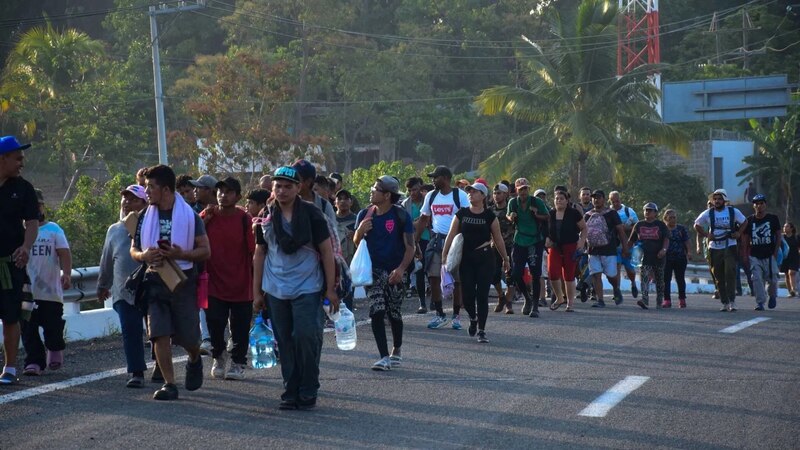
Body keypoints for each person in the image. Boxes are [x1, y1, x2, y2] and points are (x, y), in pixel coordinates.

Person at [253, 166, 338, 410]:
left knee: (305, 336)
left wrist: (330, 288)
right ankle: (290, 389)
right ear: (272, 188)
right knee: (284, 341)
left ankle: (309, 387)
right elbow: (259, 253)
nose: (282, 190)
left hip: (308, 287)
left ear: (298, 188)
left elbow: (326, 251)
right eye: (278, 186)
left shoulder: (311, 214)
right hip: (275, 288)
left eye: (288, 186)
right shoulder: (266, 215)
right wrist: (256, 292)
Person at [130, 164, 210, 401]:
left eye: (151, 187)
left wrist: (181, 254)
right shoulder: (144, 216)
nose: (147, 192)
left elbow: (205, 250)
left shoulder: (191, 217)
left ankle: (194, 359)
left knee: (189, 338)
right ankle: (169, 383)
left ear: (165, 189)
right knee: (159, 334)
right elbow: (133, 249)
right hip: (154, 279)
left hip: (182, 281)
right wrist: (143, 256)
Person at [354, 176, 414, 369]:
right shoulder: (365, 214)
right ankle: (383, 357)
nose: (371, 190)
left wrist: (401, 269)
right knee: (377, 311)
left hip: (396, 271)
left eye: (376, 188)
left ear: (387, 195)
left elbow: (410, 247)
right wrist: (360, 231)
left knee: (394, 313)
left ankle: (396, 348)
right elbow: (357, 243)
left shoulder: (401, 216)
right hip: (373, 271)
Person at [200, 177, 254, 380]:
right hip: (213, 282)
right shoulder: (207, 215)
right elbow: (192, 237)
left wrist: (257, 285)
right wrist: (204, 221)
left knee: (240, 327)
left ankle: (238, 362)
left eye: (229, 191)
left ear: (238, 196)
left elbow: (254, 252)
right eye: (220, 191)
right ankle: (219, 357)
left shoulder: (244, 218)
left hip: (241, 283)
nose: (223, 195)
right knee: (214, 323)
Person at [442, 183, 509, 343]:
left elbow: (498, 239)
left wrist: (506, 259)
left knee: (482, 295)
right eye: (469, 192)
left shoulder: (489, 216)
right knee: (468, 296)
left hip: (485, 258)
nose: (471, 194)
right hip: (466, 259)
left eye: (474, 191)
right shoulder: (461, 214)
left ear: (483, 195)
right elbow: (451, 235)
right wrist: (444, 254)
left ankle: (482, 330)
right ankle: (473, 318)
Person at [98, 184, 149, 387]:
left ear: (145, 203)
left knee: (157, 331)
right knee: (131, 330)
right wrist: (103, 284)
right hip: (123, 290)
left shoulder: (151, 225)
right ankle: (136, 372)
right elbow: (107, 259)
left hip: (151, 287)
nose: (127, 202)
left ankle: (161, 368)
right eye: (125, 199)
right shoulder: (114, 229)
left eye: (133, 199)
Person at [0, 136, 39, 385]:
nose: (21, 163)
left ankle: (10, 368)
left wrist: (26, 247)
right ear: (2, 159)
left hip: (10, 263)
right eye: (18, 158)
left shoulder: (23, 189)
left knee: (11, 316)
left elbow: (32, 223)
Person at [21, 189, 72, 377]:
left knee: (53, 326)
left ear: (42, 207)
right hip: (26, 290)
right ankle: (34, 361)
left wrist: (66, 274)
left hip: (50, 292)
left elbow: (64, 253)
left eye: (38, 205)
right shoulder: (20, 231)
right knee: (28, 329)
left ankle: (55, 348)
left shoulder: (53, 230)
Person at [415, 165, 469, 329]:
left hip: (455, 241)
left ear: (445, 178)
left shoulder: (460, 195)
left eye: (436, 177)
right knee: (433, 276)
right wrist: (416, 241)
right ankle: (440, 314)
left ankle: (456, 315)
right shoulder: (431, 196)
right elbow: (424, 219)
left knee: (457, 279)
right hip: (436, 240)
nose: (433, 180)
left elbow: (467, 218)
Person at [694, 189, 748, 312]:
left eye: (719, 199)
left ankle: (732, 301)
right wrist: (707, 235)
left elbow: (745, 222)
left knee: (730, 272)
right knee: (718, 276)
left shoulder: (733, 211)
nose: (717, 201)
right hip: (714, 247)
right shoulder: (708, 213)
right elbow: (696, 225)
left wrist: (739, 233)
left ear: (725, 200)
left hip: (730, 245)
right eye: (715, 199)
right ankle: (724, 302)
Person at [507, 178, 549, 318]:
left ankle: (535, 306)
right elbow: (508, 215)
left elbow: (547, 216)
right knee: (516, 274)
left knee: (535, 273)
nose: (523, 192)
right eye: (521, 189)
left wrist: (537, 214)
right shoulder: (513, 202)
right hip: (519, 240)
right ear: (516, 191)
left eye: (525, 189)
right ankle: (527, 297)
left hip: (534, 241)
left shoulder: (537, 202)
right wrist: (510, 217)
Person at [584, 190, 629, 308]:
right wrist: (581, 247)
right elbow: (583, 233)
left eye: (598, 197)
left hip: (609, 250)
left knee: (611, 275)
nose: (596, 200)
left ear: (604, 199)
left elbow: (621, 231)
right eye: (594, 198)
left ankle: (615, 288)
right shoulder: (587, 215)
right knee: (595, 274)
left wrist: (625, 248)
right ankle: (600, 300)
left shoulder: (612, 214)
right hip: (592, 250)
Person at [545, 190, 587, 312]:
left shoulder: (573, 213)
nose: (559, 201)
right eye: (557, 198)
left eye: (561, 198)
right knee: (552, 272)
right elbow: (545, 230)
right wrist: (547, 238)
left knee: (569, 275)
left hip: (570, 246)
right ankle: (559, 297)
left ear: (567, 200)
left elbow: (584, 228)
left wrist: (582, 241)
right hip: (554, 246)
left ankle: (570, 303)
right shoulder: (550, 213)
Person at [189, 174, 217, 354]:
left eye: (198, 187)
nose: (195, 191)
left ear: (208, 190)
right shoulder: (196, 212)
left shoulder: (224, 210)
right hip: (203, 266)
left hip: (223, 265)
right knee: (204, 302)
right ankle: (207, 338)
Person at [742, 194, 781, 310]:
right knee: (757, 279)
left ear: (765, 205)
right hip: (754, 255)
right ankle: (760, 302)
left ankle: (772, 296)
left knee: (773, 279)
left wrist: (775, 253)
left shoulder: (773, 218)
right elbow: (745, 239)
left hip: (769, 254)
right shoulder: (749, 220)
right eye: (756, 204)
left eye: (761, 203)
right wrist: (745, 254)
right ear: (753, 206)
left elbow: (778, 236)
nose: (759, 206)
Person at [628, 203, 669, 310]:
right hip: (644, 257)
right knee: (644, 278)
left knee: (660, 280)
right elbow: (631, 240)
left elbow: (666, 239)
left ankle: (659, 301)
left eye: (650, 210)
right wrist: (627, 251)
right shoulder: (639, 225)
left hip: (658, 256)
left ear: (655, 213)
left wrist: (664, 249)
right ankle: (644, 300)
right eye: (646, 210)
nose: (647, 212)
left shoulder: (661, 225)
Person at [401, 177, 429, 313]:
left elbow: (430, 219)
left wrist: (418, 222)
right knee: (418, 271)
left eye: (415, 189)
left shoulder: (428, 201)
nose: (412, 193)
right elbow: (404, 223)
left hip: (428, 238)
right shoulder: (405, 204)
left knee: (431, 272)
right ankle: (422, 303)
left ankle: (436, 300)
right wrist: (417, 222)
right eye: (410, 190)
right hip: (412, 241)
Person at [491, 183, 516, 314]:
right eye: (494, 193)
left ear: (506, 194)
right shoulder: (489, 210)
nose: (496, 196)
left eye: (499, 193)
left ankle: (509, 302)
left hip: (510, 245)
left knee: (510, 275)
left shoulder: (511, 209)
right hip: (494, 246)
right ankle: (501, 296)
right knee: (494, 274)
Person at [609, 191, 638, 300]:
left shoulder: (628, 211)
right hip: (614, 246)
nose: (615, 203)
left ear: (620, 200)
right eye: (613, 201)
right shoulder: (608, 212)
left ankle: (633, 283)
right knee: (616, 268)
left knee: (629, 269)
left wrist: (625, 228)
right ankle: (616, 291)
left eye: (617, 201)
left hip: (627, 245)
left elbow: (637, 226)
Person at [662, 209, 690, 308]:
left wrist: (689, 252)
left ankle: (682, 299)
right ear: (665, 219)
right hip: (667, 258)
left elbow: (686, 241)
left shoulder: (681, 229)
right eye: (671, 218)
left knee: (680, 279)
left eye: (674, 217)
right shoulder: (663, 229)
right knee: (666, 279)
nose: (673, 220)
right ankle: (667, 300)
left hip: (680, 257)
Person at [334, 189, 357, 310]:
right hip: (333, 260)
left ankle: (348, 313)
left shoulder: (357, 219)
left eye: (346, 198)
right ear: (335, 202)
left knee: (348, 289)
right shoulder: (330, 219)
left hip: (350, 260)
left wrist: (356, 236)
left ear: (351, 202)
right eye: (339, 199)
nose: (343, 201)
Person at [781, 223, 799, 297]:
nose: (785, 228)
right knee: (787, 275)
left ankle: (793, 290)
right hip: (785, 258)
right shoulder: (782, 237)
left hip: (794, 258)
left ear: (791, 228)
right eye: (784, 226)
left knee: (791, 273)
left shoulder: (796, 237)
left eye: (787, 226)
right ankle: (790, 292)